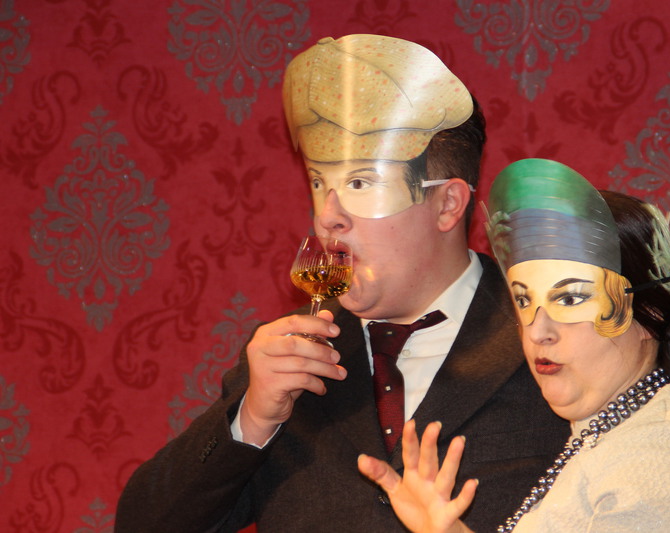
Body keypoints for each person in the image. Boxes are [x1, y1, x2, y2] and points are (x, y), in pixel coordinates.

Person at [115, 35, 569, 532]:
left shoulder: (552, 333)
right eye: (319, 184)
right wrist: (253, 419)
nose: (328, 217)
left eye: (359, 184)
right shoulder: (291, 355)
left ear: (447, 204)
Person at [358, 158, 670, 532]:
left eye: (571, 299)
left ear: (649, 315)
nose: (538, 331)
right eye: (524, 301)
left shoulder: (660, 458)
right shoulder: (622, 435)